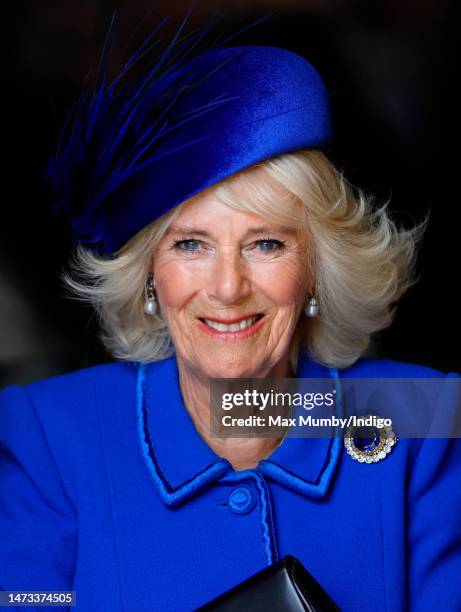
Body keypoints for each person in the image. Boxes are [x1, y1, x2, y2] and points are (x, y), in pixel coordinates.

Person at [1, 13, 460, 612]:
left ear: (316, 270)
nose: (226, 287)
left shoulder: (415, 419)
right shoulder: (50, 435)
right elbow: (25, 600)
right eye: (190, 244)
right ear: (148, 275)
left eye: (266, 243)